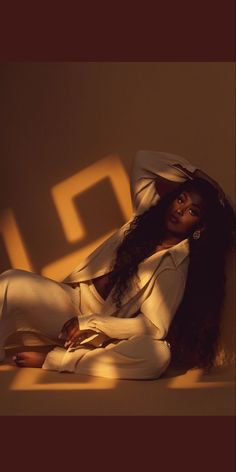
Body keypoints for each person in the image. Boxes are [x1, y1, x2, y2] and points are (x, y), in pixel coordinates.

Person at [0, 151, 235, 379]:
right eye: (180, 199)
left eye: (192, 211)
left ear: (200, 227)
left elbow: (155, 328)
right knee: (11, 281)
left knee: (158, 356)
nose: (180, 210)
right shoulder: (145, 215)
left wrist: (92, 323)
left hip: (101, 334)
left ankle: (58, 358)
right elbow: (144, 161)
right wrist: (200, 176)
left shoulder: (174, 266)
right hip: (72, 302)